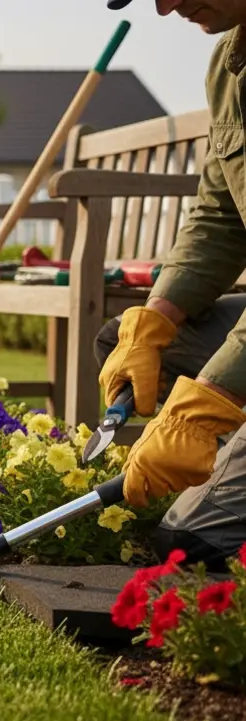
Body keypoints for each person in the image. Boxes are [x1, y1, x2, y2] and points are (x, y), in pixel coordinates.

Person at [96, 0, 246, 569]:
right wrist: (153, 320)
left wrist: (208, 404)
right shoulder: (229, 66)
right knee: (128, 344)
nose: (164, 7)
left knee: (194, 542)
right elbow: (219, 217)